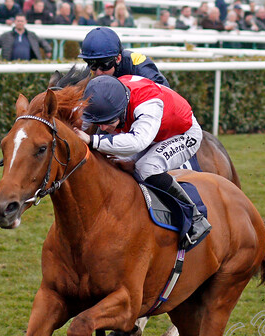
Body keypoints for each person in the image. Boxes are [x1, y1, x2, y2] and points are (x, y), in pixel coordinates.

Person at [73, 75, 211, 248]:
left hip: (182, 134)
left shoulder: (148, 105)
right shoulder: (108, 94)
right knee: (111, 159)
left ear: (121, 109)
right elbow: (79, 122)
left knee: (147, 168)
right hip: (148, 132)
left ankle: (195, 217)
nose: (103, 128)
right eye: (98, 123)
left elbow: (139, 143)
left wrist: (93, 140)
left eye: (108, 122)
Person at [78, 27, 169, 86]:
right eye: (91, 64)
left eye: (104, 65)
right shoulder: (92, 69)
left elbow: (163, 96)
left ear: (118, 58)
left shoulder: (138, 65)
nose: (98, 72)